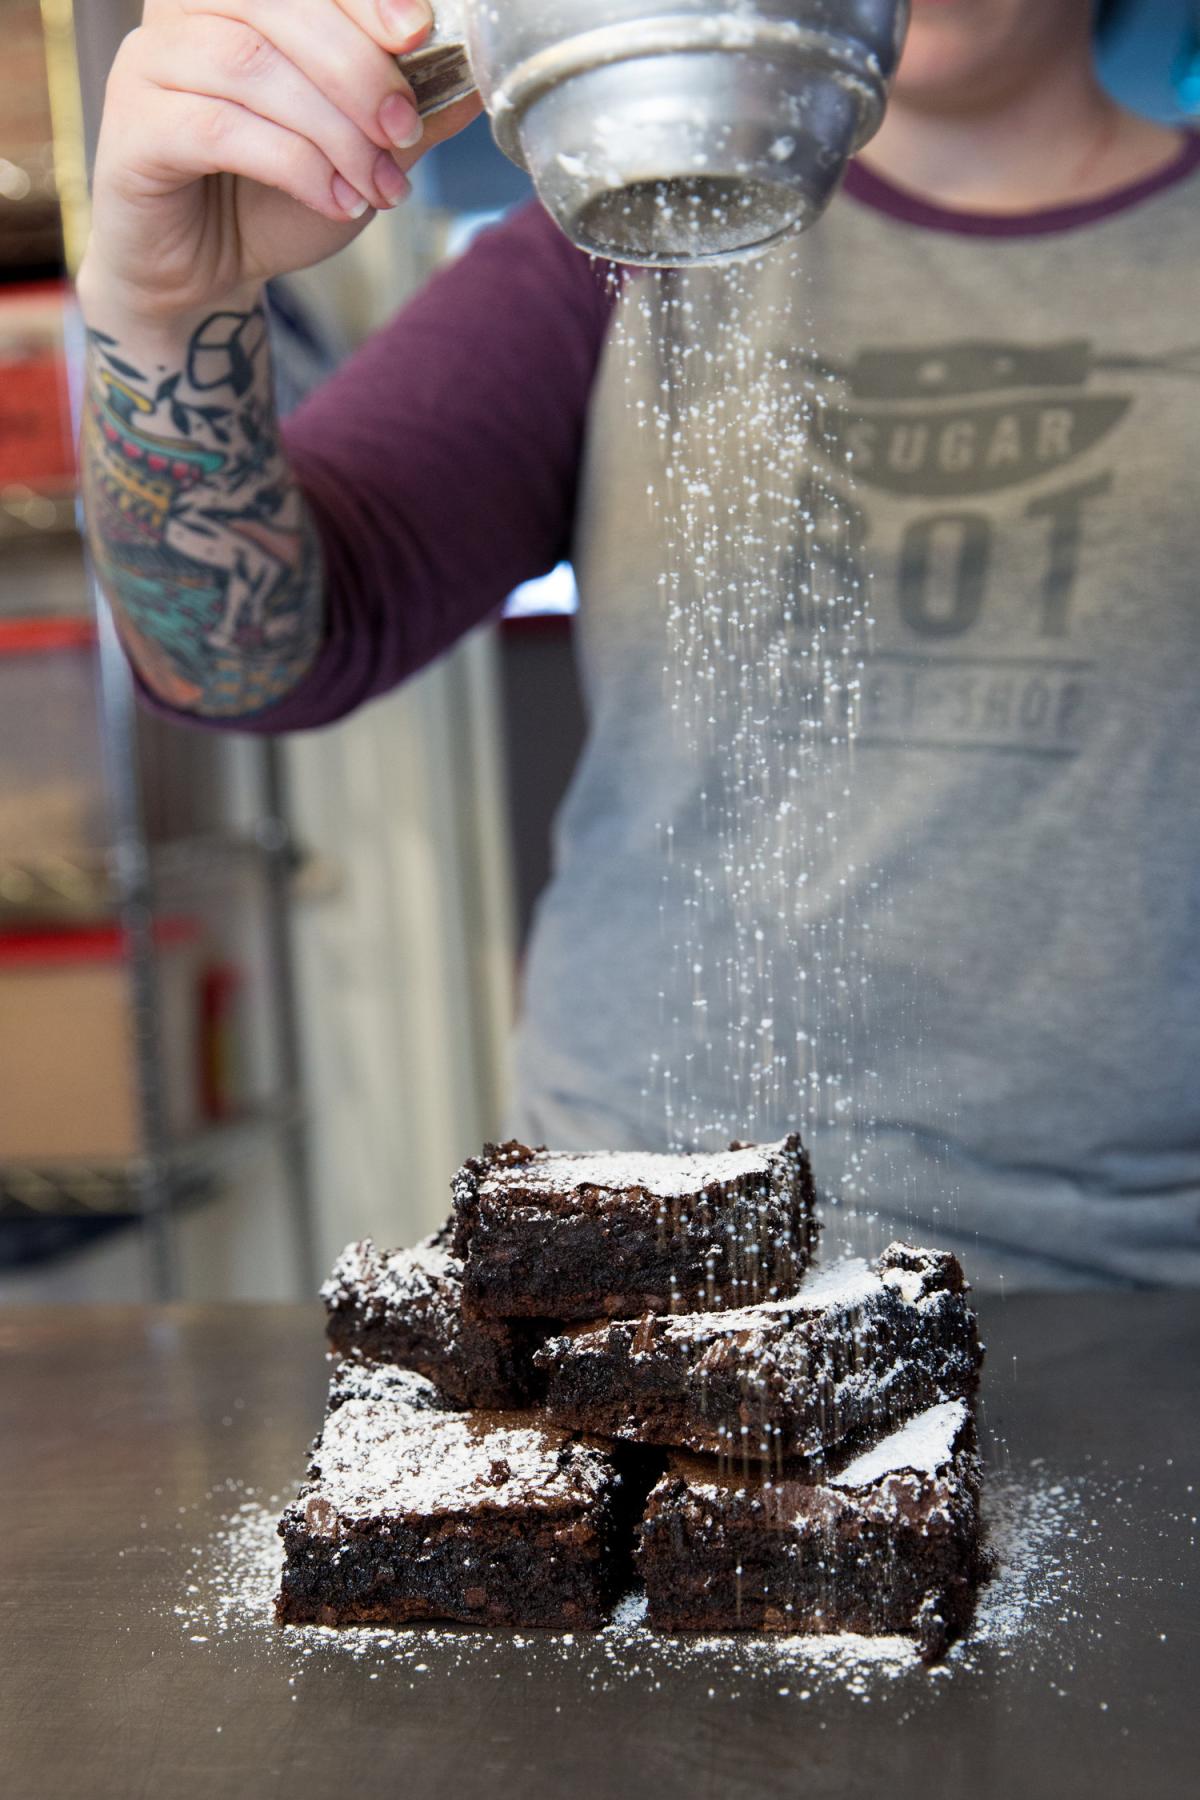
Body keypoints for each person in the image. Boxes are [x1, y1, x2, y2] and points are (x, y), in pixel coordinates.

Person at [77, 0, 1200, 1288]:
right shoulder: (629, 243)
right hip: (651, 1256)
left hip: (1134, 1283)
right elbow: (240, 657)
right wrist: (169, 299)